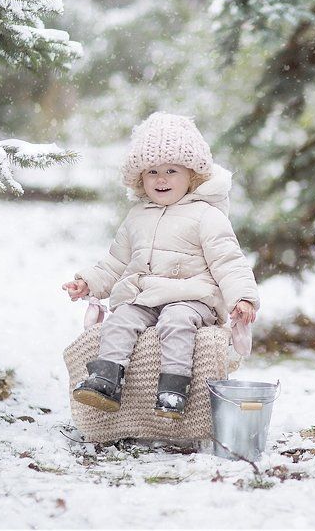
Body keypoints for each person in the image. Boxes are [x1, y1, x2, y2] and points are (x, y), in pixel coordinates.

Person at [62, 113, 259, 419]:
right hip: (145, 295)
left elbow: (229, 261)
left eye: (171, 170)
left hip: (192, 298)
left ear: (191, 175)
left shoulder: (206, 215)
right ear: (140, 178)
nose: (161, 179)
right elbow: (115, 262)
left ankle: (173, 389)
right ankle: (106, 379)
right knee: (121, 318)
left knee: (176, 321)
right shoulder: (137, 217)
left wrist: (242, 298)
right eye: (152, 171)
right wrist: (89, 282)